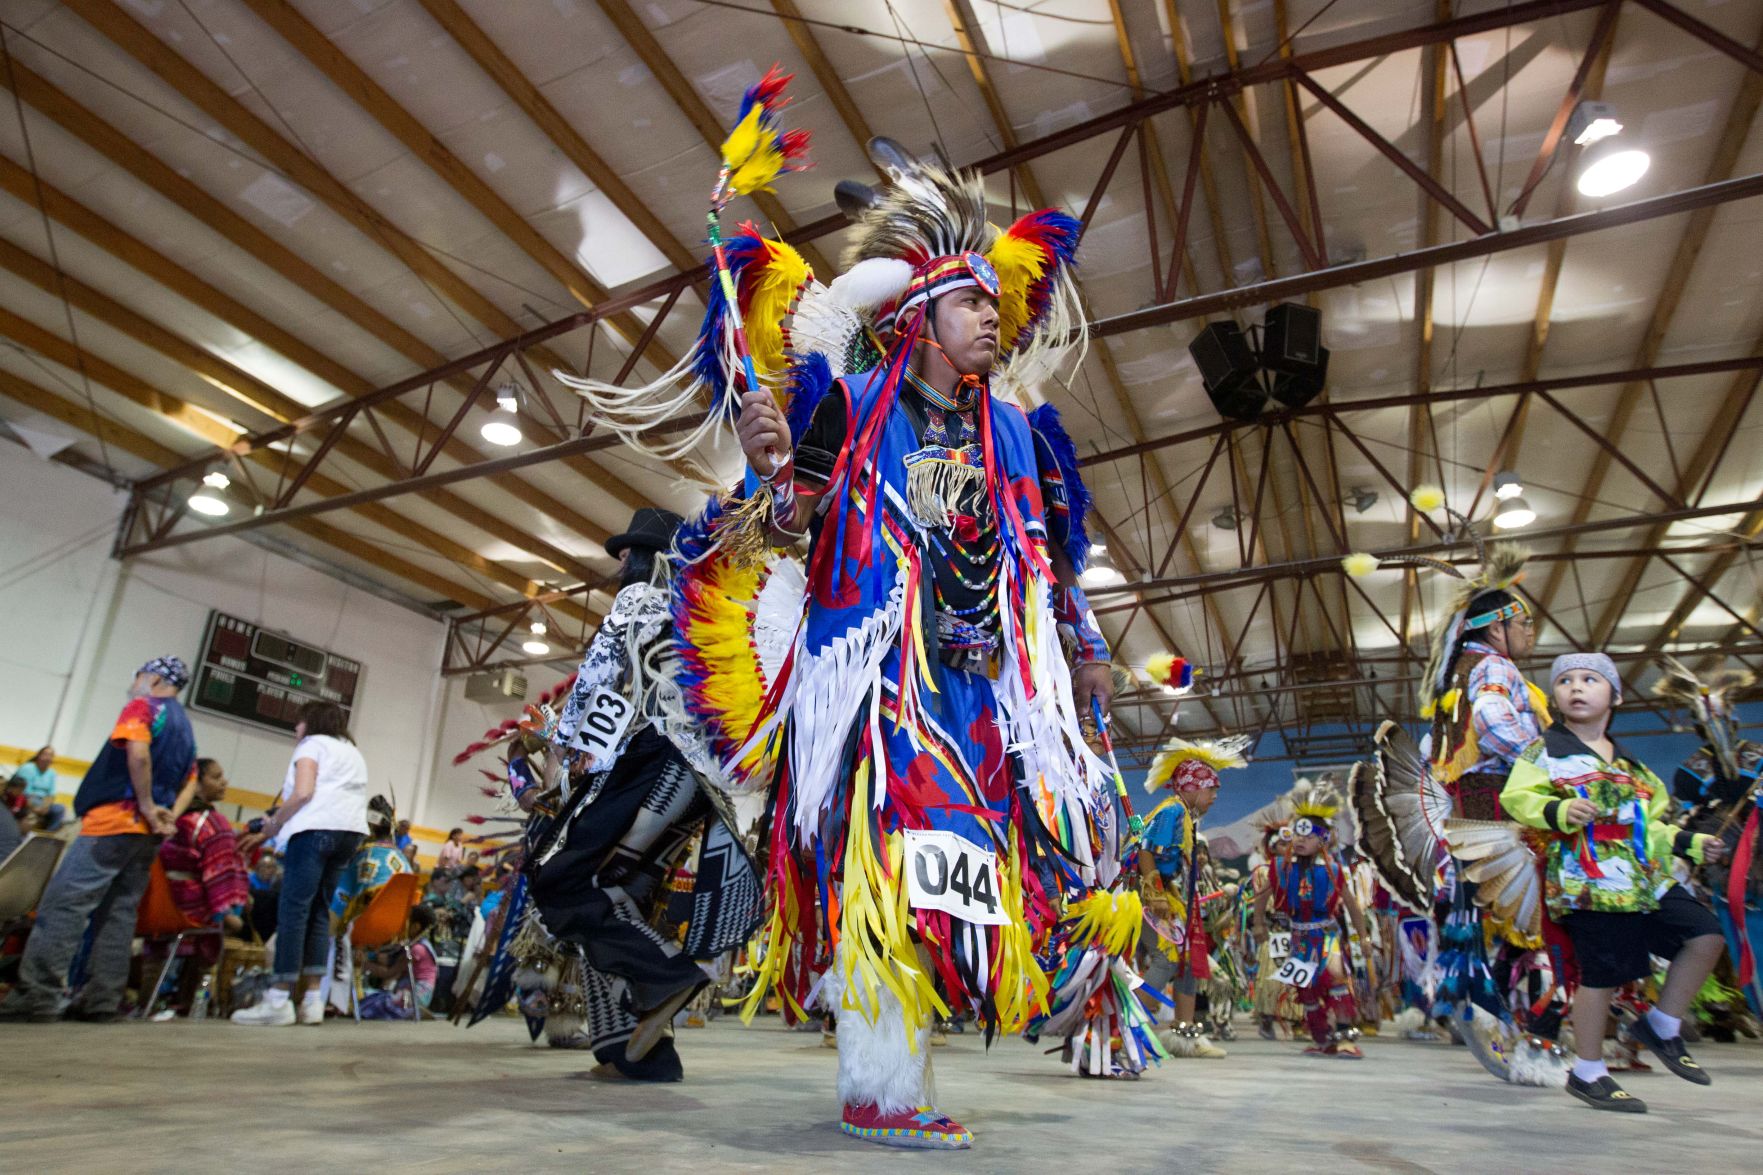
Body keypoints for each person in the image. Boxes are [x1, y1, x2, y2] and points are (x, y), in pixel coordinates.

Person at [723, 152, 1111, 1147]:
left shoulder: (1013, 434)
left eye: (993, 304)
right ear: (917, 322)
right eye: (969, 305)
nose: (991, 319)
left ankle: (928, 1048)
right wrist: (772, 466)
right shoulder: (851, 410)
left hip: (979, 684)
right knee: (886, 865)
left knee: (974, 855)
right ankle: (880, 1090)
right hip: (878, 679)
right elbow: (785, 529)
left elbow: (1047, 560)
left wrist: (1076, 650)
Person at [525, 505, 762, 1082]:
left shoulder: (639, 600)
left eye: (629, 552)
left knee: (558, 878)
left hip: (651, 757)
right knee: (621, 895)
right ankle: (639, 1054)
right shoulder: (706, 608)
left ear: (646, 558)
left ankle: (665, 977)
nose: (622, 562)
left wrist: (555, 746)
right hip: (702, 784)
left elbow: (597, 679)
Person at [1502, 653, 1728, 1112]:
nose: (1576, 687)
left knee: (1705, 935)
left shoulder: (1635, 770)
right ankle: (1588, 1072)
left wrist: (1690, 842)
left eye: (1590, 679)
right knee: (1602, 975)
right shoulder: (1546, 753)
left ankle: (1662, 1024)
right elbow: (1517, 797)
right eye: (1565, 681)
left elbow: (1651, 827)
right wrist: (1560, 811)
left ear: (1616, 696)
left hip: (1644, 877)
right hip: (1588, 878)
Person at [0, 657, 198, 1022]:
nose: (134, 682)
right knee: (119, 915)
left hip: (112, 823)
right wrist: (166, 813)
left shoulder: (143, 706)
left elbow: (138, 755)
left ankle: (36, 996)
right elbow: (192, 779)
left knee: (64, 906)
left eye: (138, 675)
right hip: (146, 837)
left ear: (153, 678)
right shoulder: (185, 725)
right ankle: (102, 1000)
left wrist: (148, 806)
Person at [232, 699, 368, 1027]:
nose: (296, 729)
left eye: (299, 722)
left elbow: (303, 793)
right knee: (320, 914)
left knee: (294, 912)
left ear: (312, 722)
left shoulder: (311, 745)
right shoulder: (352, 751)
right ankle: (311, 1001)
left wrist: (274, 826)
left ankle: (278, 999)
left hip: (314, 833)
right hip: (349, 834)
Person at [1137, 737, 1249, 1059]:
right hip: (1146, 895)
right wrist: (1156, 893)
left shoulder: (1185, 816)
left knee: (1186, 962)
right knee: (1167, 958)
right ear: (1192, 786)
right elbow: (1146, 849)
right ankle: (1128, 1026)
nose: (1214, 797)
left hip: (1170, 895)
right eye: (1211, 789)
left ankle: (1185, 1035)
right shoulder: (1171, 810)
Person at [1251, 781, 1371, 1059]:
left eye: (1308, 836)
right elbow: (1261, 896)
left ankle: (1344, 1038)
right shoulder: (1281, 867)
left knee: (1337, 981)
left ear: (1323, 840)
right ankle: (1322, 1038)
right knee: (1306, 989)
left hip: (1327, 935)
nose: (1301, 841)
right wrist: (1258, 924)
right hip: (1299, 936)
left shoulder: (1333, 870)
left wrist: (1363, 936)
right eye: (1297, 836)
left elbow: (1353, 907)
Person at [144, 758, 250, 1014]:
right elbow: (220, 880)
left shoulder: (164, 817)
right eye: (216, 776)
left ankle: (145, 999)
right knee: (220, 928)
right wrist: (227, 914)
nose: (224, 781)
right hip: (192, 910)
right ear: (197, 783)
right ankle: (191, 1002)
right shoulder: (213, 824)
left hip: (154, 908)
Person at [357, 905, 438, 1020]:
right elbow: (387, 959)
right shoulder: (420, 945)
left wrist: (363, 965)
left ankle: (413, 1010)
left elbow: (389, 972)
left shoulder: (416, 949)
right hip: (415, 993)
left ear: (416, 927)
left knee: (378, 1002)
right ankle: (412, 1010)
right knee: (375, 997)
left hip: (417, 995)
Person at [12, 746, 67, 832]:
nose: (47, 758)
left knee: (60, 809)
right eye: (45, 754)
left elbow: (51, 794)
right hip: (27, 799)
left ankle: (49, 834)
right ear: (38, 756)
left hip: (43, 802)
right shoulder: (28, 768)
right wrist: (36, 807)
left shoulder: (52, 773)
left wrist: (46, 806)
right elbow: (23, 792)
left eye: (50, 755)